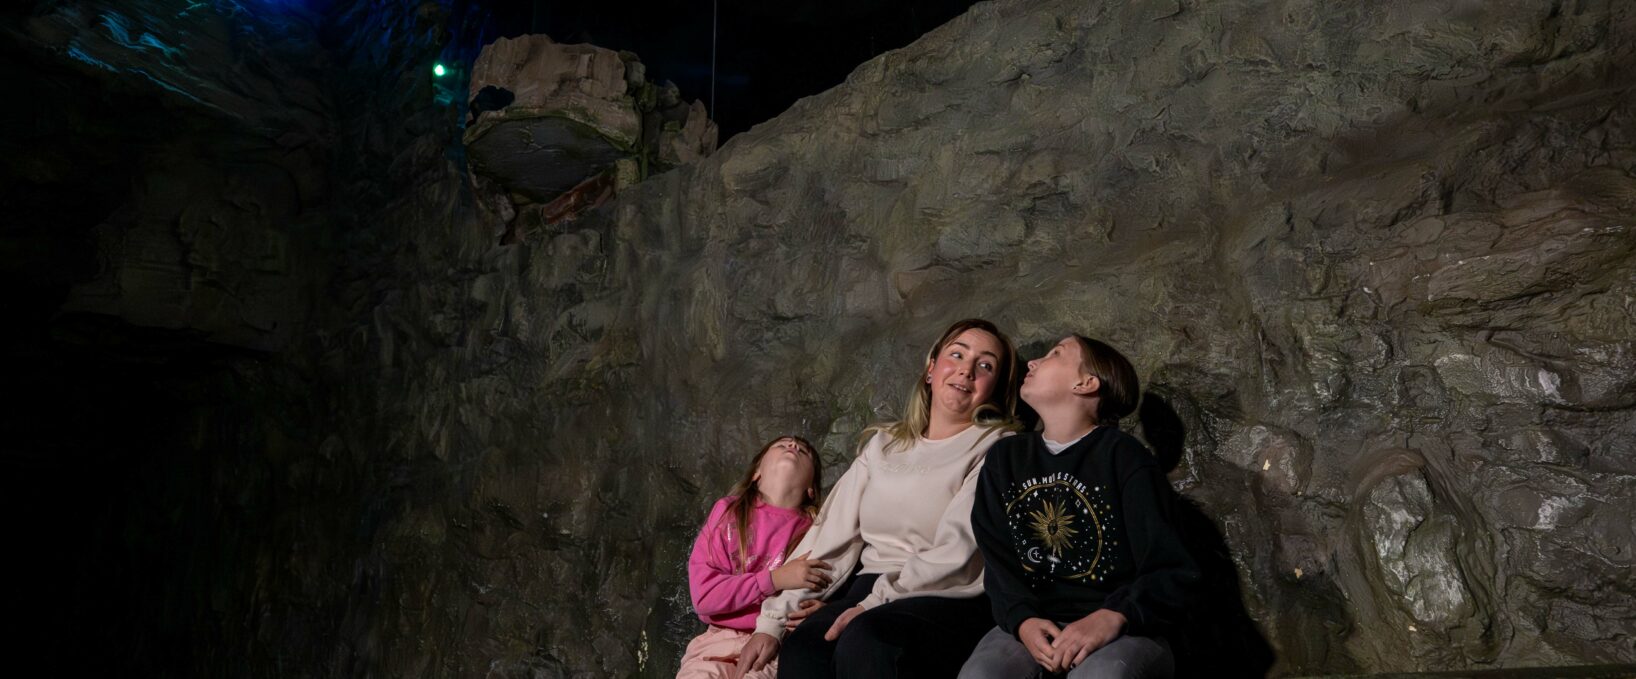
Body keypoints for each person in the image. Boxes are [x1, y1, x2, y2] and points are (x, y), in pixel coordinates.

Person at [732, 318, 1023, 679]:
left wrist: (874, 603)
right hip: (871, 586)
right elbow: (830, 538)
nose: (966, 370)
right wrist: (772, 623)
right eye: (957, 355)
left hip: (947, 596)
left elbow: (958, 552)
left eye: (985, 365)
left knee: (868, 642)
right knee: (806, 650)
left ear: (994, 387)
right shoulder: (883, 445)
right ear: (931, 369)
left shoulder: (995, 446)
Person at [959, 336, 1200, 678]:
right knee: (982, 674)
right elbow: (998, 562)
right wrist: (1023, 621)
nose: (1033, 362)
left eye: (1055, 354)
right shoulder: (1005, 459)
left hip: (1122, 628)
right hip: (1031, 627)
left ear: (1086, 383)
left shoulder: (1124, 457)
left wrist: (1115, 616)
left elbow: (1172, 570)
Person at [677, 436, 829, 679]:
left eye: (804, 451)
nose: (792, 446)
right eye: (782, 445)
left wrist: (824, 611)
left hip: (778, 646)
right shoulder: (729, 512)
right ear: (757, 472)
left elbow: (830, 587)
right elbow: (704, 596)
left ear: (811, 488)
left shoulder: (818, 530)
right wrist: (775, 579)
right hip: (717, 640)